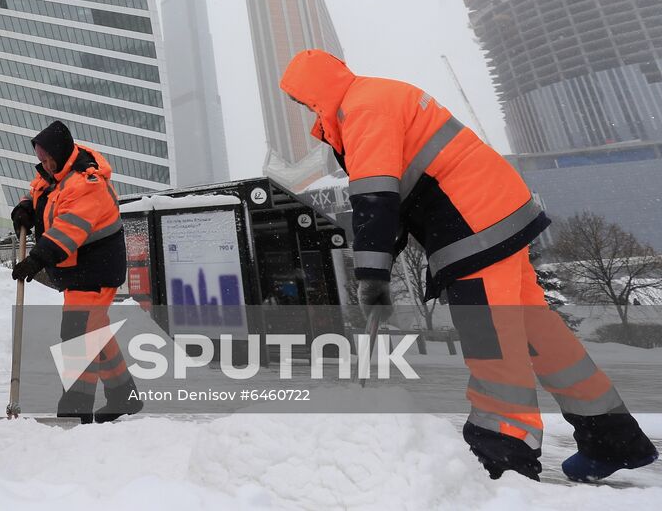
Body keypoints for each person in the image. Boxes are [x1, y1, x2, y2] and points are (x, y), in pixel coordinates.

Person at [280, 48, 657, 482]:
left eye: (301, 100)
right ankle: (611, 439)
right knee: (537, 332)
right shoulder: (379, 95)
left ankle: (503, 459)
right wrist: (389, 248)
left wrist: (371, 276)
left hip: (473, 226)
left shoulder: (361, 110)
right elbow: (402, 193)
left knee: (490, 338)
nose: (304, 109)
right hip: (499, 216)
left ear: (314, 93)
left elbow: (375, 198)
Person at [11, 120, 139, 423]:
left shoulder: (86, 184)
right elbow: (37, 192)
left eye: (46, 158)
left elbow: (68, 231)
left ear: (59, 152)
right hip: (78, 270)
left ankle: (77, 401)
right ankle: (123, 394)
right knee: (94, 330)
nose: (43, 164)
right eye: (40, 159)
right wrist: (25, 209)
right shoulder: (56, 171)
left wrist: (36, 259)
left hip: (96, 268)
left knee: (78, 330)